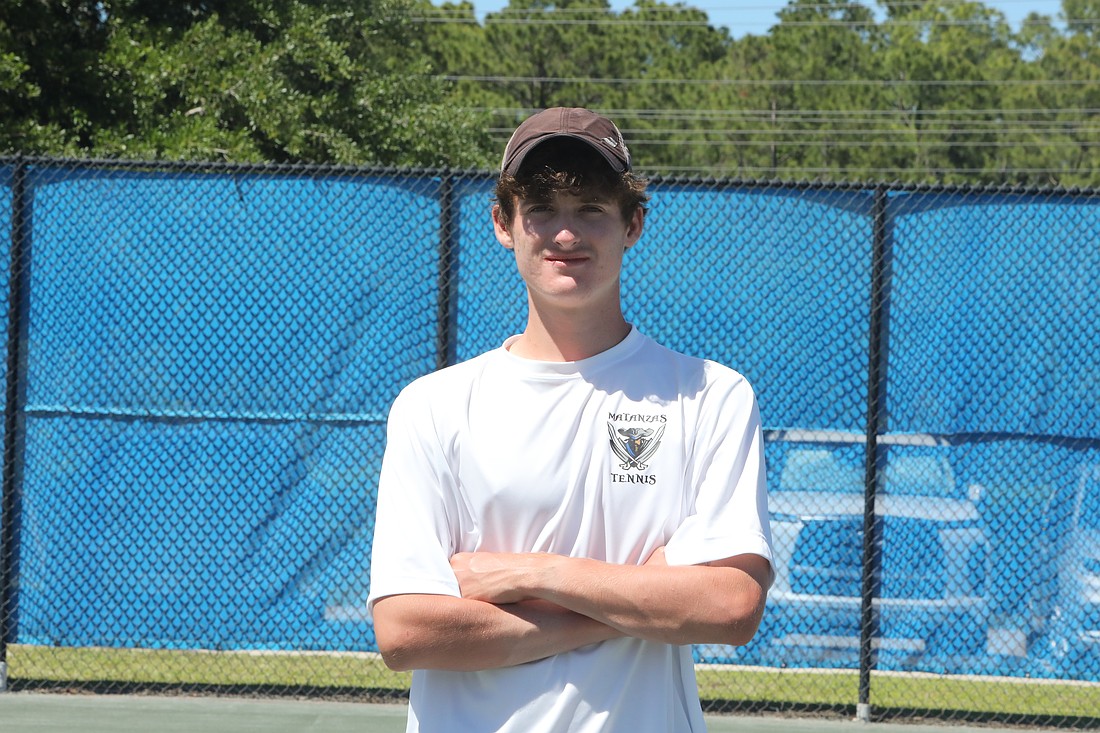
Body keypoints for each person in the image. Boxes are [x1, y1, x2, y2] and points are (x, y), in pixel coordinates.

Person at [367, 107, 773, 732]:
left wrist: (531, 572)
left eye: (591, 209)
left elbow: (730, 607)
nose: (565, 234)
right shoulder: (434, 405)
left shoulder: (708, 395)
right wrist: (643, 596)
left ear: (633, 223)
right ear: (502, 224)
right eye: (542, 209)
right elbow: (405, 632)